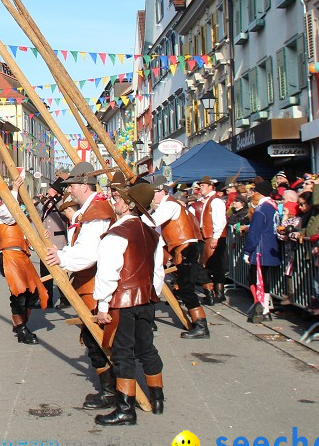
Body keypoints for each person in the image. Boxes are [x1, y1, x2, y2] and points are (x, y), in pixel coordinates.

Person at [43, 161, 116, 410]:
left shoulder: (96, 212)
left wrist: (61, 258)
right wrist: (64, 254)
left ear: (83, 185)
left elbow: (89, 254)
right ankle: (113, 388)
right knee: (97, 338)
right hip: (92, 283)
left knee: (98, 339)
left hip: (97, 285)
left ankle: (110, 392)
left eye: (72, 185)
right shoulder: (92, 209)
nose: (70, 190)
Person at [92, 182, 165, 426]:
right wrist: (152, 294)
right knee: (146, 348)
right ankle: (157, 399)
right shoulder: (152, 232)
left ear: (130, 203)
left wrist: (103, 305)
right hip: (147, 299)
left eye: (119, 198)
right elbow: (158, 271)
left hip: (123, 302)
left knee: (123, 353)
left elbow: (108, 272)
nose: (115, 201)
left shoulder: (118, 234)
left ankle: (126, 410)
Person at [148, 177, 209, 339]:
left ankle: (201, 325)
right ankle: (199, 324)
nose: (152, 197)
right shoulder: (170, 205)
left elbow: (152, 222)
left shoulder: (170, 205)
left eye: (154, 193)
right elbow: (160, 234)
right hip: (183, 248)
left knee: (186, 287)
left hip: (186, 248)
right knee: (184, 287)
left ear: (162, 191)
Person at [0, 174, 47, 344]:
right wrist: (14, 190)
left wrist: (41, 236)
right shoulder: (4, 210)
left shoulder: (22, 216)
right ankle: (21, 328)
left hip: (23, 256)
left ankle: (20, 323)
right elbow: (10, 214)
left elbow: (29, 236)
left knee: (33, 293)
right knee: (19, 294)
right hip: (10, 256)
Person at [244, 179, 280, 324]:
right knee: (265, 280)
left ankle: (262, 309)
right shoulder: (274, 206)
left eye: (255, 191)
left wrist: (248, 251)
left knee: (257, 279)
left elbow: (254, 233)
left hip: (260, 250)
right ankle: (263, 308)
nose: (252, 194)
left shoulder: (261, 209)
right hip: (270, 247)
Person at [190, 177, 227, 305]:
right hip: (206, 235)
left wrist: (215, 238)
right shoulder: (204, 200)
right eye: (200, 185)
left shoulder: (216, 201)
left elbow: (220, 221)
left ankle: (219, 293)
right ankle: (214, 292)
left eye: (204, 185)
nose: (201, 188)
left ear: (211, 186)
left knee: (216, 264)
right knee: (208, 264)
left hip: (214, 236)